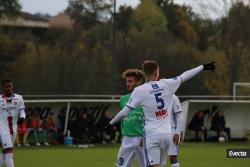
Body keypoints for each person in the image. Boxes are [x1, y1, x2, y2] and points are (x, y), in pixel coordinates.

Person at [110, 60, 215, 167]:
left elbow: (124, 113)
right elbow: (185, 75)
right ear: (156, 73)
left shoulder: (139, 90)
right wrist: (202, 67)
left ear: (144, 73)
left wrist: (110, 123)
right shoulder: (167, 84)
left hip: (151, 135)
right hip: (166, 135)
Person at [116, 69, 145, 167]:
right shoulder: (123, 99)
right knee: (121, 165)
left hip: (142, 139)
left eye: (130, 81)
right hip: (127, 138)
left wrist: (145, 135)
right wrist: (122, 134)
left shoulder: (145, 98)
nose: (127, 84)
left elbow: (149, 119)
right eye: (126, 81)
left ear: (138, 82)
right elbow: (122, 119)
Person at [0, 80, 26, 167]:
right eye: (7, 87)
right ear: (3, 88)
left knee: (5, 153)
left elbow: (22, 111)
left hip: (14, 129)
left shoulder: (19, 98)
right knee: (9, 152)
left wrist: (22, 118)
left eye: (10, 86)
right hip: (3, 128)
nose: (9, 88)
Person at [168, 95, 183, 167]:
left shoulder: (173, 97)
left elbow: (180, 116)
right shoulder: (154, 95)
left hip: (171, 131)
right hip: (157, 131)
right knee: (156, 158)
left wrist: (177, 133)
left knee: (173, 157)